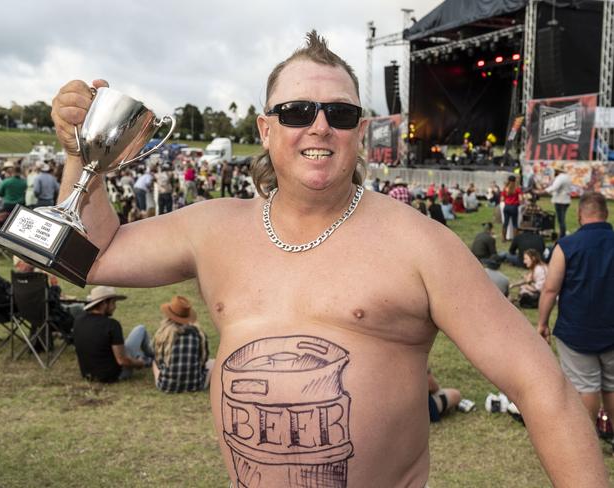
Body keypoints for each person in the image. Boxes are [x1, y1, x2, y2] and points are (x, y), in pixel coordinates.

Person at [52, 31, 607, 487]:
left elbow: (543, 386)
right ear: (266, 131)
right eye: (297, 111)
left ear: (359, 133)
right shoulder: (212, 228)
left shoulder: (421, 244)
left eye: (339, 114)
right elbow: (93, 257)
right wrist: (84, 155)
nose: (319, 126)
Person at [538, 192, 614, 425]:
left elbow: (550, 289)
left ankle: (587, 441)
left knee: (584, 386)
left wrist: (542, 323)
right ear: (606, 214)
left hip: (576, 332)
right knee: (612, 385)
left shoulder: (566, 246)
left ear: (580, 214)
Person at [72, 286, 153, 383]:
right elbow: (122, 361)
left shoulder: (79, 320)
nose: (115, 307)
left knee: (132, 346)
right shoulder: (111, 325)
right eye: (113, 302)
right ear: (104, 303)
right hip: (114, 375)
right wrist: (140, 364)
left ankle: (143, 356)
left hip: (88, 374)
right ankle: (155, 359)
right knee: (140, 329)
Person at [152, 295, 215, 393]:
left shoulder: (163, 335)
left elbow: (159, 362)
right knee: (213, 362)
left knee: (154, 363)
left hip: (166, 386)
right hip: (196, 385)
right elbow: (204, 359)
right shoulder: (198, 334)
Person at [539, 164, 572, 238]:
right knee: (561, 219)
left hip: (560, 201)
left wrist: (543, 191)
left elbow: (554, 187)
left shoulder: (560, 178)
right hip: (565, 200)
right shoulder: (567, 177)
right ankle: (562, 233)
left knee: (561, 220)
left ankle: (562, 235)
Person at [500, 175, 522, 241]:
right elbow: (521, 199)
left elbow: (502, 198)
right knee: (515, 223)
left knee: (505, 223)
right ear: (515, 181)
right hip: (514, 207)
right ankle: (515, 239)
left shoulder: (505, 188)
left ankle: (504, 238)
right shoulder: (517, 189)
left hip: (506, 207)